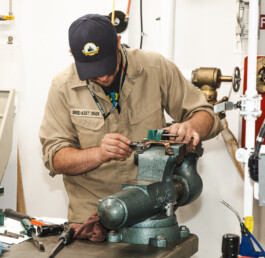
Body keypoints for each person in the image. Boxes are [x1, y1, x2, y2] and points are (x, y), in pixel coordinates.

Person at [39, 14, 223, 223]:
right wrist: (99, 154)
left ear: (118, 42)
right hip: (91, 217)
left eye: (108, 65)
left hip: (151, 211)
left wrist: (191, 127)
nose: (103, 77)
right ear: (73, 55)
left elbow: (207, 115)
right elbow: (55, 157)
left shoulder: (155, 68)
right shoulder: (62, 86)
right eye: (93, 71)